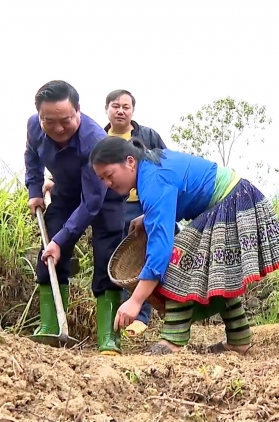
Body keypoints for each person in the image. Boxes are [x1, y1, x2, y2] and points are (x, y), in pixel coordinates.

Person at [90, 136, 279, 355]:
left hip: (232, 203)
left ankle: (173, 341)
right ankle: (239, 339)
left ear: (130, 162)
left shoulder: (152, 180)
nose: (107, 184)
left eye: (109, 175)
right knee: (218, 274)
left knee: (179, 263)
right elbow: (178, 194)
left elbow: (160, 249)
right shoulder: (151, 165)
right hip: (237, 197)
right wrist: (147, 216)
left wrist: (136, 300)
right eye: (102, 179)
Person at [24, 80, 127, 355]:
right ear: (40, 116)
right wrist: (34, 189)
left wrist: (62, 239)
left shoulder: (93, 140)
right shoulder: (34, 126)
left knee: (108, 259)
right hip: (67, 194)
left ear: (78, 111)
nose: (58, 128)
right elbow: (31, 157)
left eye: (66, 120)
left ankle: (108, 336)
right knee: (49, 253)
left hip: (104, 197)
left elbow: (92, 202)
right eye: (50, 121)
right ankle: (51, 326)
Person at [102, 89, 168, 337]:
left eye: (126, 107)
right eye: (115, 106)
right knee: (117, 259)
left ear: (132, 111)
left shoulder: (147, 135)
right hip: (111, 206)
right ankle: (118, 314)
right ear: (107, 109)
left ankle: (140, 316)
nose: (121, 110)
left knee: (143, 255)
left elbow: (164, 162)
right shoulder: (99, 137)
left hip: (142, 205)